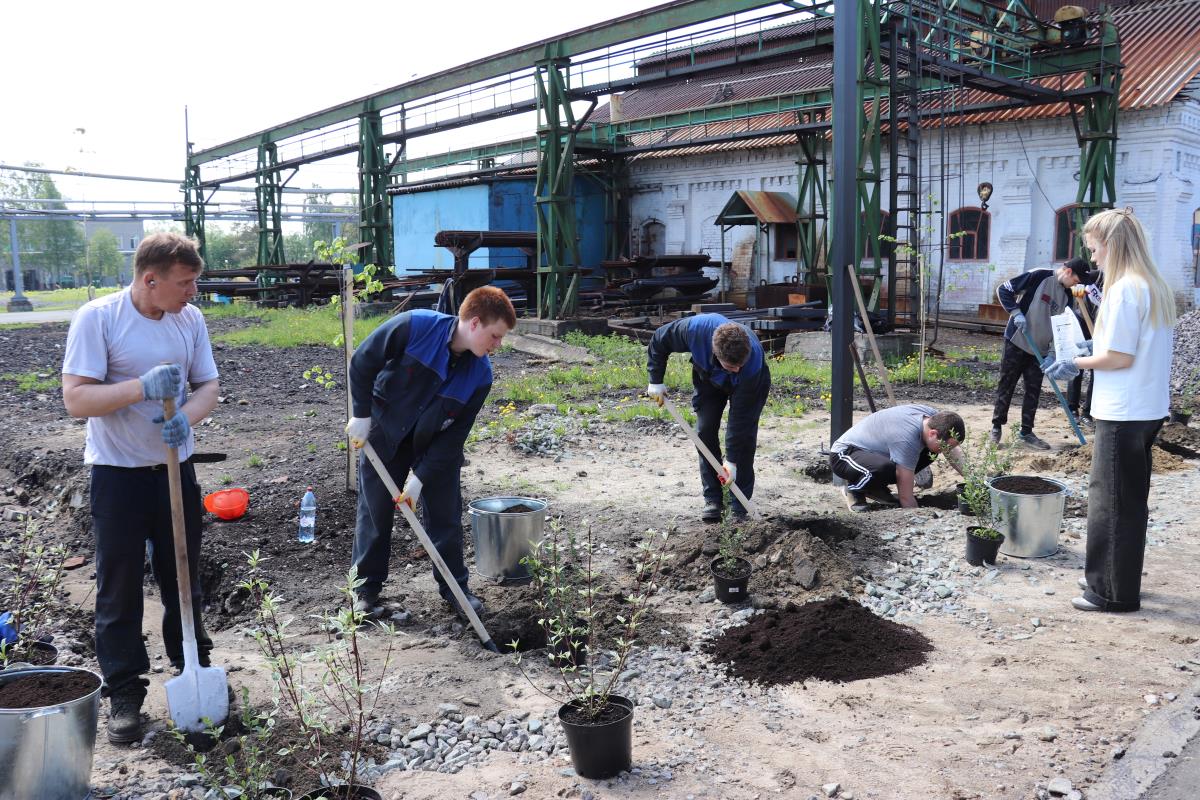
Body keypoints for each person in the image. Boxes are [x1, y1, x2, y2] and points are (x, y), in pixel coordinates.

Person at [61, 232, 220, 744]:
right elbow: (77, 399)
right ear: (150, 279)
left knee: (183, 576)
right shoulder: (99, 318)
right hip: (117, 475)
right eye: (185, 282)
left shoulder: (189, 320)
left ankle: (192, 663)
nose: (193, 291)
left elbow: (208, 386)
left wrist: (189, 421)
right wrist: (139, 387)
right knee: (120, 586)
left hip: (176, 471)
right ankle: (125, 691)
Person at [344, 286, 516, 619]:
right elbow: (363, 361)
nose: (498, 345)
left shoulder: (480, 376)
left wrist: (419, 480)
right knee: (375, 511)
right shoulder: (415, 326)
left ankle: (456, 592)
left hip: (435, 443)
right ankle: (364, 592)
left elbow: (453, 439)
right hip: (384, 431)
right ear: (476, 323)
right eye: (495, 336)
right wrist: (361, 414)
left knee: (445, 516)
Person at [1042, 207, 1175, 612]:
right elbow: (1127, 349)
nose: (1093, 257)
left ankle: (1109, 592)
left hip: (1122, 411)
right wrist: (1091, 350)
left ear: (1112, 245)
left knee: (1110, 502)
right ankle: (1120, 577)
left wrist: (1076, 362)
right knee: (1130, 500)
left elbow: (1118, 356)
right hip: (1147, 408)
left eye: (1095, 248)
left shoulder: (1123, 289)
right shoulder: (1152, 285)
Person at [645, 313, 771, 522]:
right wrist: (655, 380)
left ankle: (740, 507)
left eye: (740, 364)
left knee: (744, 441)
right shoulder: (694, 330)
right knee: (704, 432)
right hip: (708, 378)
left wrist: (731, 461)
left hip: (750, 386)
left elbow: (740, 422)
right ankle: (713, 499)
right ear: (716, 352)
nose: (736, 369)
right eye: (732, 366)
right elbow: (660, 339)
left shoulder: (751, 365)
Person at [991, 258, 1090, 449]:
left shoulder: (1067, 296)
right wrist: (1016, 312)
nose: (1076, 285)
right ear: (1068, 272)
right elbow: (1004, 289)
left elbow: (1061, 328)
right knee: (1006, 385)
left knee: (1034, 390)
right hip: (1017, 341)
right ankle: (996, 427)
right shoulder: (1039, 276)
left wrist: (1052, 353)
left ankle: (1026, 432)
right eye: (1077, 280)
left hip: (1040, 351)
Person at [829, 404, 965, 512]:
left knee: (930, 452)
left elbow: (953, 450)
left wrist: (973, 478)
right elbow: (906, 498)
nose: (946, 450)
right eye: (945, 446)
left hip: (875, 453)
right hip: (845, 454)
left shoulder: (934, 418)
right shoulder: (906, 440)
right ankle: (854, 490)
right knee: (881, 469)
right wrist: (918, 516)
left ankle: (875, 488)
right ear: (933, 434)